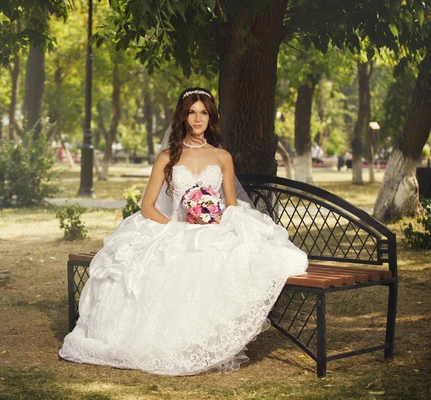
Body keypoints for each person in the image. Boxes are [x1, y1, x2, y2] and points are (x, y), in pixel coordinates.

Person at [59, 88, 308, 375]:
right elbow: (148, 207)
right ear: (183, 117)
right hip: (175, 227)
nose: (197, 118)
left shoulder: (222, 156)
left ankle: (206, 339)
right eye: (192, 112)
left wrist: (214, 218)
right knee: (165, 263)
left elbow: (231, 205)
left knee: (221, 258)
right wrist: (176, 228)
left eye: (203, 112)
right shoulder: (167, 156)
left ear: (210, 117)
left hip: (211, 230)